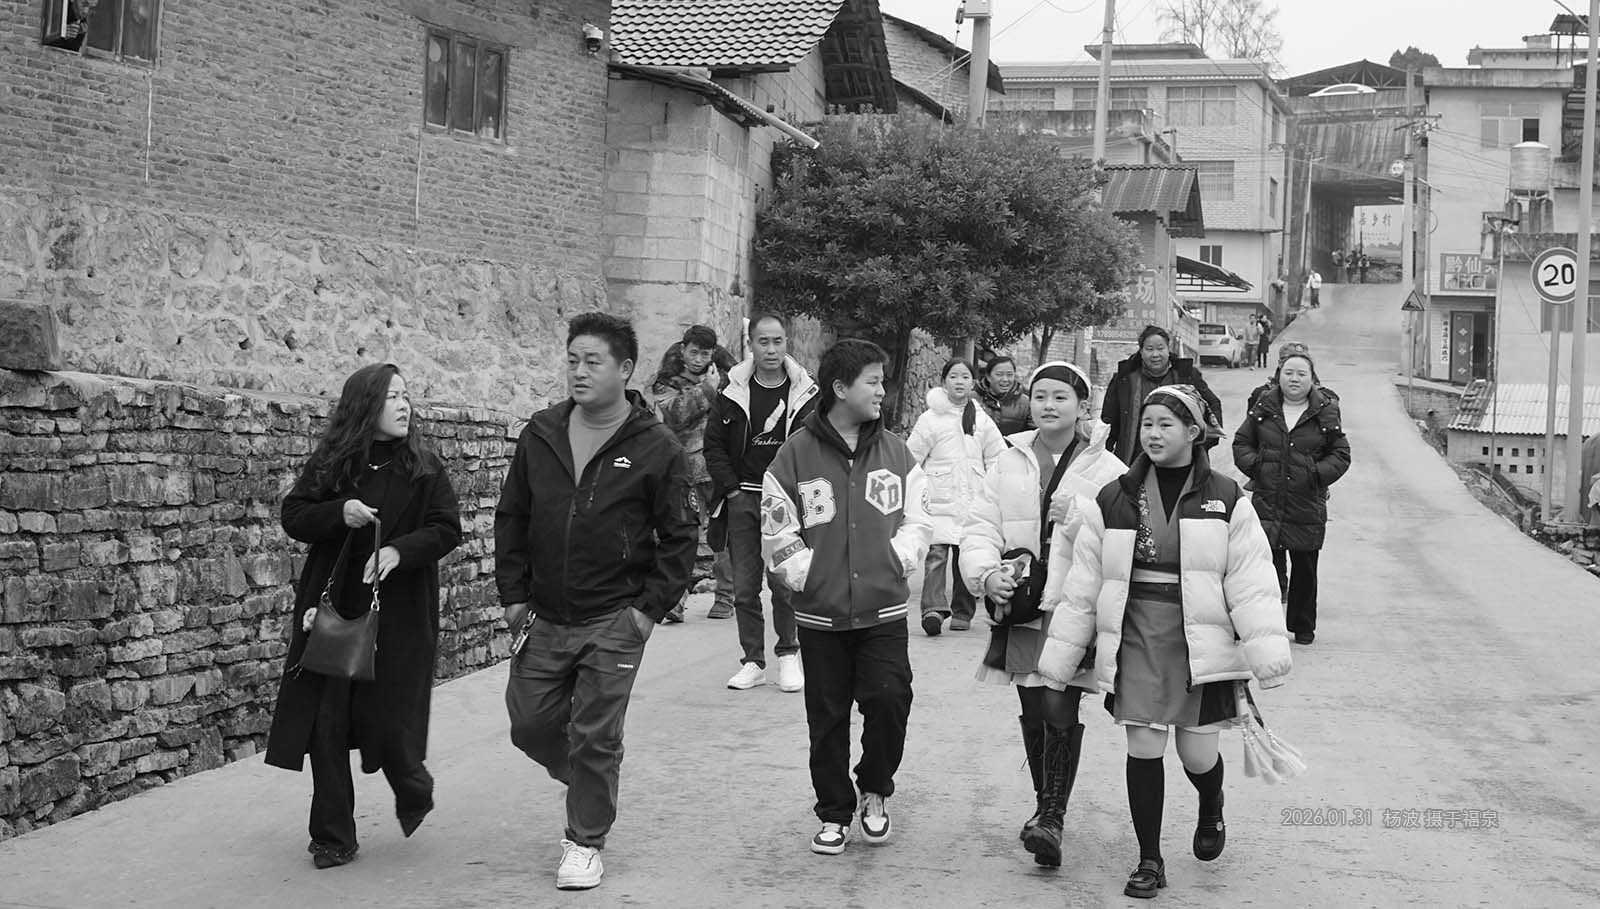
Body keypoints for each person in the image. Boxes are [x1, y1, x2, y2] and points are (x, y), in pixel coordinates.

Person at [1039, 385, 1292, 900]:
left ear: (1194, 433)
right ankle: (1149, 859)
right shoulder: (1114, 497)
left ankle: (1211, 803)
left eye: (1165, 425)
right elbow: (1085, 582)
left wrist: (1267, 653)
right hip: (1135, 633)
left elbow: (1251, 579)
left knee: (1197, 755)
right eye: (1148, 424)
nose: (1152, 434)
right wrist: (1062, 656)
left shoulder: (1227, 498)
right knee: (1144, 746)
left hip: (1198, 638)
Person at [496, 312, 699, 891]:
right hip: (543, 614)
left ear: (625, 369)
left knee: (595, 733)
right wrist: (513, 596)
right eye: (572, 361)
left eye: (593, 362)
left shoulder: (656, 447)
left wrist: (646, 612)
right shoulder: (541, 433)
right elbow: (512, 516)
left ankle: (584, 841)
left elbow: (681, 535)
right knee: (529, 724)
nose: (579, 372)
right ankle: (591, 777)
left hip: (615, 616)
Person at [266, 363, 463, 870]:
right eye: (392, 397)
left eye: (406, 395)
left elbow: (447, 528)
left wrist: (400, 550)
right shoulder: (335, 463)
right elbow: (295, 515)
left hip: (399, 614)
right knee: (325, 725)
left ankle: (412, 787)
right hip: (333, 608)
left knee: (388, 722)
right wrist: (340, 512)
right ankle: (333, 836)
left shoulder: (424, 467)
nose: (404, 405)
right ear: (365, 406)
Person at [762, 338, 932, 856]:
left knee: (890, 700)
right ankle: (834, 812)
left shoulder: (897, 453)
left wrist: (896, 560)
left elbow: (918, 520)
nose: (882, 391)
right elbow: (777, 527)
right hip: (821, 615)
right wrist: (808, 575)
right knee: (827, 717)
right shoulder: (794, 455)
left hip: (883, 611)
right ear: (840, 388)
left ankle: (874, 789)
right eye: (872, 382)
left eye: (882, 381)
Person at [960, 361, 1126, 867]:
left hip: (1073, 605)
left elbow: (1123, 538)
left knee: (1059, 704)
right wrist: (986, 574)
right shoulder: (1008, 460)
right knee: (1033, 707)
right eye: (1040, 396)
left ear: (1082, 405)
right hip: (1024, 602)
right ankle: (1044, 808)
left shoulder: (1109, 469)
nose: (1048, 405)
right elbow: (980, 524)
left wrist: (1077, 516)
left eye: (1060, 397)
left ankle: (1052, 816)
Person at [704, 314, 820, 692]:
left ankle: (788, 654)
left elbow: (815, 445)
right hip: (743, 499)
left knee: (784, 582)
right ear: (751, 344)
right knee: (744, 587)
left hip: (785, 502)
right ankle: (753, 661)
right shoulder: (732, 391)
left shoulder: (805, 392)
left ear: (787, 343)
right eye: (763, 342)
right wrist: (732, 492)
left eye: (777, 341)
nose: (771, 349)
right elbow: (714, 446)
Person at [1232, 343, 1351, 646]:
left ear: (1312, 378)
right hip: (1268, 499)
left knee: (1305, 568)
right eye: (1288, 373)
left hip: (1306, 502)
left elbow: (1340, 453)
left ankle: (1302, 625)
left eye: (1301, 374)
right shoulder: (1264, 406)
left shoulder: (1325, 410)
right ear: (1279, 375)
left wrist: (1315, 474)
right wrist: (1257, 467)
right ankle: (1263, 623)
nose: (1294, 379)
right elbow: (1242, 443)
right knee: (1263, 567)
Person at [907, 358, 1005, 636]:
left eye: (965, 377)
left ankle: (963, 612)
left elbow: (997, 456)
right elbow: (912, 457)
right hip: (938, 498)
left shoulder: (980, 419)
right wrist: (912, 490)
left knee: (966, 557)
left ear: (973, 383)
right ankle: (933, 609)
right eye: (953, 376)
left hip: (973, 499)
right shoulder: (930, 419)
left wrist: (994, 488)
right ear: (943, 382)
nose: (959, 381)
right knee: (936, 556)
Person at [650, 326, 736, 623]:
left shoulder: (730, 378)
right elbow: (674, 414)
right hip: (684, 469)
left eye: (705, 353)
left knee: (723, 534)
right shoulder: (667, 380)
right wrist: (707, 389)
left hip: (721, 467)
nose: (698, 359)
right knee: (682, 534)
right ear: (683, 349)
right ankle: (675, 599)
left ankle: (725, 597)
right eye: (694, 352)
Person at [1100, 326, 1223, 465]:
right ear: (1141, 351)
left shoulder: (1186, 375)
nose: (1155, 354)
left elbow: (1212, 404)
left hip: (1179, 460)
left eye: (1160, 348)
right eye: (1149, 349)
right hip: (1133, 460)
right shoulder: (1125, 379)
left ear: (1168, 349)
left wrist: (1203, 444)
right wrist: (1105, 454)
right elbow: (1109, 419)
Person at [980, 355, 1033, 436]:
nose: (1005, 379)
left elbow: (1034, 433)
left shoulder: (1026, 403)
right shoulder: (972, 399)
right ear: (988, 376)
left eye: (1009, 375)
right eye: (999, 374)